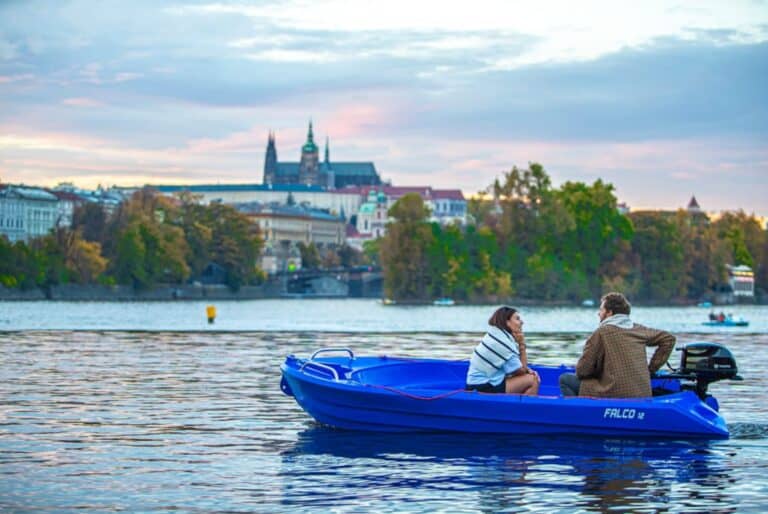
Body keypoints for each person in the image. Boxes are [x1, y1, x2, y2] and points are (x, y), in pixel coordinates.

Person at [559, 292, 675, 398]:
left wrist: (596, 372)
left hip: (614, 393)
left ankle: (579, 416)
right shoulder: (638, 329)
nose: (598, 314)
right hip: (643, 392)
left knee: (565, 379)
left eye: (601, 310)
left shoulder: (601, 332)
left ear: (609, 313)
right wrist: (650, 370)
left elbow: (582, 371)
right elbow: (668, 339)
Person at [466, 306, 540, 395]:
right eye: (517, 319)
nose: (522, 322)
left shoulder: (495, 334)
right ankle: (524, 408)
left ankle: (517, 405)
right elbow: (521, 370)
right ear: (507, 322)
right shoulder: (503, 342)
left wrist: (526, 370)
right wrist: (521, 344)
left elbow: (514, 367)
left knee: (526, 375)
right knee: (533, 380)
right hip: (483, 387)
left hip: (476, 384)